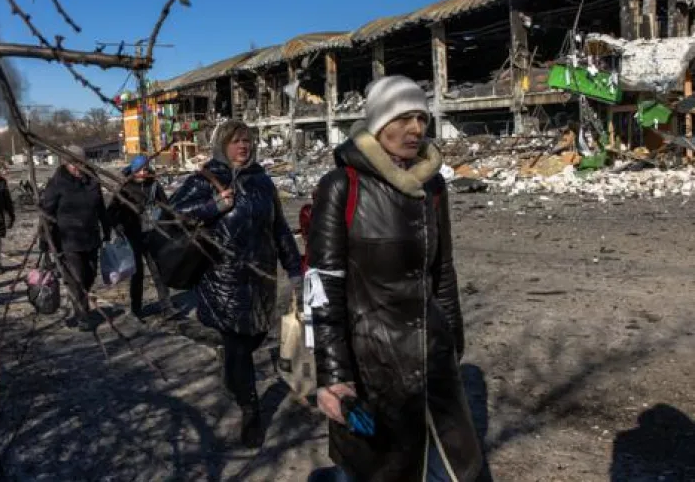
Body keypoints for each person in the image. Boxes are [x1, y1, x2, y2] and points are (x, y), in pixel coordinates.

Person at [307, 76, 483, 482]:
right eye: (403, 118)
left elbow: (442, 271)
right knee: (379, 468)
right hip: (373, 365)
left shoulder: (432, 186)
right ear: (378, 123)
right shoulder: (341, 186)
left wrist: (452, 343)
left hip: (432, 357)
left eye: (421, 118)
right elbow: (323, 286)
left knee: (455, 469)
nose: (416, 129)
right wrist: (333, 376)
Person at [171, 120, 302, 448]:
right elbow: (169, 216)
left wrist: (295, 269)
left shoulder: (262, 180)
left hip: (261, 279)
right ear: (222, 144)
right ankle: (251, 410)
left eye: (247, 140)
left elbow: (280, 229)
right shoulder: (205, 179)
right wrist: (213, 207)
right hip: (222, 279)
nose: (243, 146)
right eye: (235, 141)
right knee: (240, 344)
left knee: (255, 335)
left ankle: (231, 370)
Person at [39, 145, 111, 332]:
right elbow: (46, 211)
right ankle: (82, 316)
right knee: (76, 278)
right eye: (72, 163)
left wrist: (107, 228)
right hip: (68, 239)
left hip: (90, 236)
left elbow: (101, 207)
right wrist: (45, 239)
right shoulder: (58, 182)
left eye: (79, 163)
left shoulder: (92, 180)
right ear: (65, 163)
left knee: (89, 275)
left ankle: (81, 304)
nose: (76, 167)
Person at [106, 155, 172, 320]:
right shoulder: (125, 187)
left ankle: (167, 306)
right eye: (141, 169)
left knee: (158, 270)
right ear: (134, 170)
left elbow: (166, 205)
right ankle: (137, 309)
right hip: (133, 235)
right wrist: (119, 226)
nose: (144, 172)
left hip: (151, 234)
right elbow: (112, 211)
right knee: (137, 274)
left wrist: (166, 222)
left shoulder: (154, 185)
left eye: (146, 168)